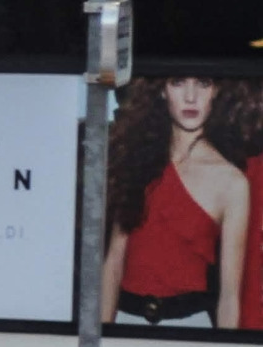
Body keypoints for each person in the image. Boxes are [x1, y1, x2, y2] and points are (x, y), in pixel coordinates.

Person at [103, 75, 249, 330]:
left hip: (191, 329)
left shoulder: (232, 183)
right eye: (178, 82)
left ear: (216, 91)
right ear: (161, 91)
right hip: (126, 324)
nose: (191, 97)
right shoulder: (137, 161)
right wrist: (100, 337)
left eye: (203, 84)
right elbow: (114, 263)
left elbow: (230, 295)